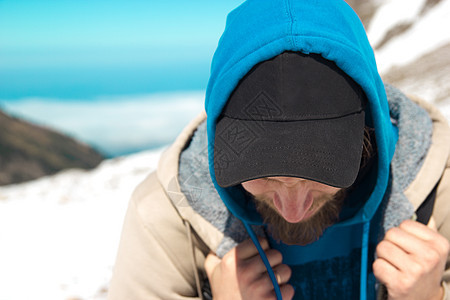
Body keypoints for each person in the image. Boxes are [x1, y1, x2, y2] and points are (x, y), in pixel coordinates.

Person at [107, 0, 450, 299]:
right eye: (262, 175)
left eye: (322, 171)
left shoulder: (441, 188)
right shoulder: (164, 217)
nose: (293, 210)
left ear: (368, 135)